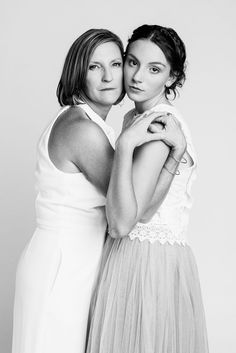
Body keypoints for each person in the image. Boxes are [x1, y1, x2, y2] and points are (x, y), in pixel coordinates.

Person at [86, 25, 209, 353]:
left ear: (170, 78)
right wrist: (172, 161)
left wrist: (125, 146)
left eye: (154, 69)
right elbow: (146, 209)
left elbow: (123, 223)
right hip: (143, 255)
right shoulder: (135, 118)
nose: (137, 76)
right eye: (132, 62)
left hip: (147, 260)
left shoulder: (158, 124)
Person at [11, 28, 125, 353]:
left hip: (73, 264)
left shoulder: (90, 123)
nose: (107, 76)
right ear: (78, 72)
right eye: (94, 66)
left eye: (115, 64)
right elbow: (126, 204)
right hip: (61, 269)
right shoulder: (82, 130)